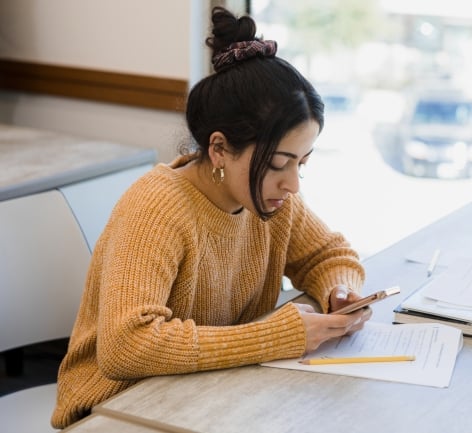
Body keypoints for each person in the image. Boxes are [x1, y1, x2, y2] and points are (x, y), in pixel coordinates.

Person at [51, 6, 371, 429]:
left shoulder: (270, 199)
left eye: (303, 163)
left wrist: (342, 291)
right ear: (219, 149)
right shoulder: (157, 208)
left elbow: (327, 256)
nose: (292, 183)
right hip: (115, 407)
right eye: (279, 163)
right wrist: (276, 337)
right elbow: (127, 347)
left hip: (207, 391)